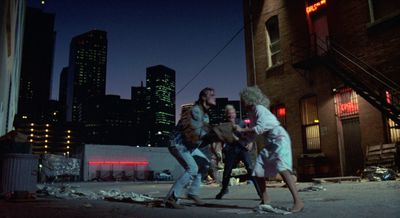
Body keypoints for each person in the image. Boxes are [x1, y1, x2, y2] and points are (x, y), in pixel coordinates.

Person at [235, 86, 304, 213]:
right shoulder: (251, 113)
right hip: (270, 142)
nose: (241, 102)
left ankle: (298, 201)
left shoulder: (259, 109)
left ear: (249, 98)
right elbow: (253, 132)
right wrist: (248, 141)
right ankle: (265, 199)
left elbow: (260, 128)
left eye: (242, 99)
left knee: (282, 168)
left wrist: (243, 130)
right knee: (258, 169)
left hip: (279, 139)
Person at [164, 87, 216, 209]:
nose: (215, 97)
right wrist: (216, 133)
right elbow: (196, 133)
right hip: (178, 144)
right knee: (192, 169)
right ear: (204, 97)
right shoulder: (196, 111)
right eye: (212, 95)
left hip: (189, 146)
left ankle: (193, 192)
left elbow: (201, 140)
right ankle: (171, 198)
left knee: (204, 164)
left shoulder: (206, 116)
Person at [215, 104, 262, 199]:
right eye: (229, 113)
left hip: (242, 148)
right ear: (226, 115)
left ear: (235, 114)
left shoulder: (241, 122)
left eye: (232, 113)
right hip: (231, 150)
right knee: (227, 171)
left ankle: (261, 193)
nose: (231, 115)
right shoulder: (223, 125)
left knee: (250, 168)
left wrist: (251, 142)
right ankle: (224, 190)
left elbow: (250, 134)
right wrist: (218, 150)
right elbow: (219, 139)